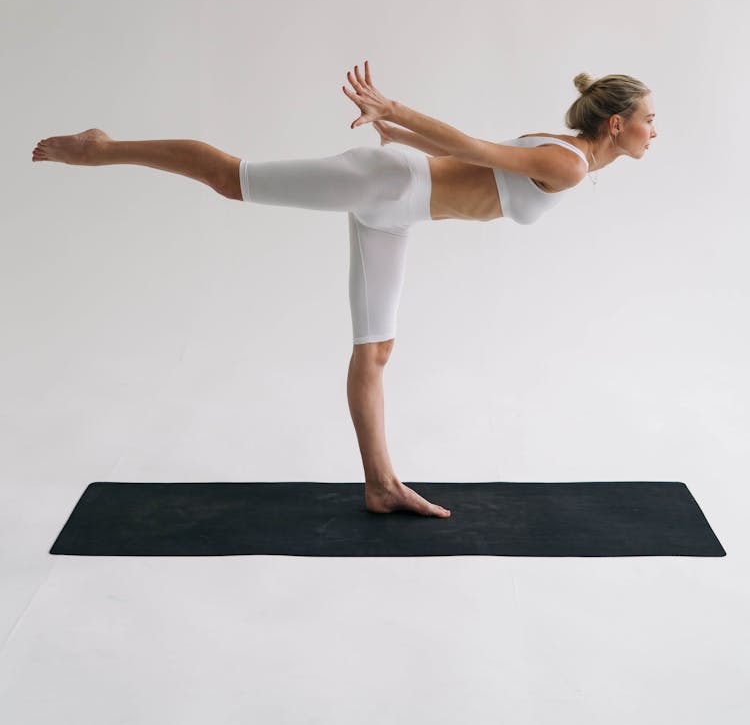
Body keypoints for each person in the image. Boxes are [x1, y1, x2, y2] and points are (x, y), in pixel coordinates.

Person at [32, 62, 657, 519]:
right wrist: (399, 114)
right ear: (618, 122)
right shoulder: (569, 164)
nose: (655, 131)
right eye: (650, 120)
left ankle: (381, 484)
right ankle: (103, 149)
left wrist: (400, 132)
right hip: (384, 186)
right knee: (230, 178)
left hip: (398, 210)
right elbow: (472, 148)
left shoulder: (569, 153)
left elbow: (473, 166)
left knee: (375, 351)